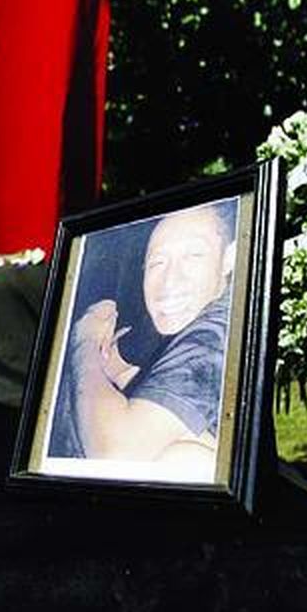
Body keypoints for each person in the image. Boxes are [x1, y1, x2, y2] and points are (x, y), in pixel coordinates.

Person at [64, 200, 236, 477]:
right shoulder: (205, 319)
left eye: (193, 256)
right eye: (157, 262)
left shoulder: (217, 331)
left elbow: (115, 455)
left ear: (229, 259)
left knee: (187, 460)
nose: (169, 282)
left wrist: (84, 342)